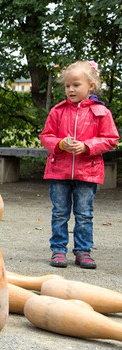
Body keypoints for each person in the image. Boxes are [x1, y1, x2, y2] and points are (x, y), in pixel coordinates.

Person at [40, 60, 119, 270]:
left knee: (84, 214)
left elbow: (111, 138)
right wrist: (59, 144)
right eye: (67, 86)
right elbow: (46, 136)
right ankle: (58, 250)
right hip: (59, 171)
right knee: (59, 212)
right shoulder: (57, 111)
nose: (71, 89)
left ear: (90, 86)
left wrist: (87, 146)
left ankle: (83, 251)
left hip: (87, 172)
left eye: (76, 85)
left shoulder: (101, 112)